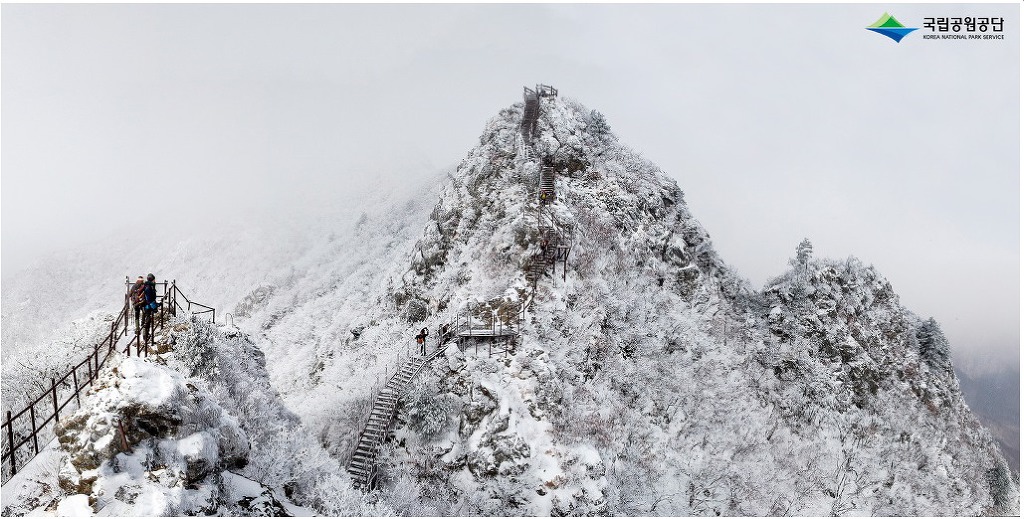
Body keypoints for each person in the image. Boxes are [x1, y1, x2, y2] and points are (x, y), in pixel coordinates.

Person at [141, 274, 158, 342]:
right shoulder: (149, 287)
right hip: (148, 306)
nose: (155, 281)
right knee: (147, 321)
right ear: (152, 280)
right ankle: (145, 336)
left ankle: (146, 335)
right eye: (154, 279)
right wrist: (155, 307)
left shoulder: (149, 286)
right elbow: (149, 299)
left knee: (147, 321)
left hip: (147, 306)